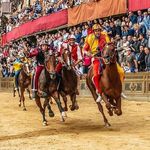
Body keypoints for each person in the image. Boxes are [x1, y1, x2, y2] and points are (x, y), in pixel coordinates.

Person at [83, 24, 110, 102]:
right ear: (93, 31)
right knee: (95, 75)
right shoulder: (89, 38)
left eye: (99, 30)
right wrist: (88, 53)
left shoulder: (104, 35)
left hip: (106, 57)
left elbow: (108, 44)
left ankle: (119, 90)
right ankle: (100, 92)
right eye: (96, 31)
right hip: (96, 58)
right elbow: (84, 49)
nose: (98, 32)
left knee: (120, 71)